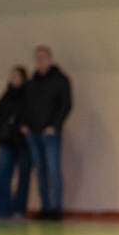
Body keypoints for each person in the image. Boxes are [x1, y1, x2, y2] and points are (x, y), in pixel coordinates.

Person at [21, 45, 72, 220]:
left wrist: (54, 126)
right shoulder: (32, 82)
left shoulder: (60, 80)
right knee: (40, 171)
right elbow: (26, 104)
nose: (40, 60)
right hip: (33, 133)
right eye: (37, 57)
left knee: (53, 170)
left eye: (43, 57)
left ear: (50, 59)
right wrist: (24, 124)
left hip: (50, 134)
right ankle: (45, 207)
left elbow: (66, 104)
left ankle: (55, 209)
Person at [0, 66, 32, 219]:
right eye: (12, 75)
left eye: (16, 75)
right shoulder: (6, 96)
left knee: (24, 175)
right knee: (1, 174)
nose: (13, 78)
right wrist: (0, 136)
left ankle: (19, 209)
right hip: (7, 142)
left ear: (23, 78)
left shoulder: (28, 95)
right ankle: (2, 210)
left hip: (23, 143)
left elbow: (31, 115)